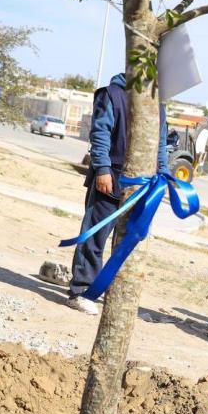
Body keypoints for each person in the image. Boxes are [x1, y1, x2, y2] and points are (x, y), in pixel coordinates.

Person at [67, 73, 169, 315]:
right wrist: (102, 169)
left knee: (129, 240)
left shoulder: (157, 103)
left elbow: (161, 143)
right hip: (110, 179)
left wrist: (164, 174)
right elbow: (100, 133)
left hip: (143, 186)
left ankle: (114, 292)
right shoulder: (111, 95)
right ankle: (81, 290)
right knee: (95, 237)